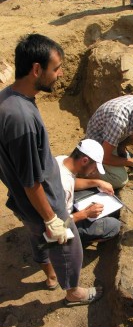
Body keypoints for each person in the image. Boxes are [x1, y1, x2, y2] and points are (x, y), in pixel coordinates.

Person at [0, 33, 102, 307]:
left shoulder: (7, 99)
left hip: (26, 204)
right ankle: (74, 293)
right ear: (36, 69)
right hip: (42, 203)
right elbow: (31, 181)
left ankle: (49, 275)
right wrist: (52, 218)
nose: (60, 74)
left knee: (38, 239)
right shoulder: (21, 119)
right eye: (56, 68)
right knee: (70, 248)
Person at [56, 139, 121, 247]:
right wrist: (85, 213)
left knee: (99, 193)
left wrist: (97, 182)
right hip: (62, 225)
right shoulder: (64, 188)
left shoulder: (61, 160)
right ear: (85, 161)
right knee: (114, 226)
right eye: (95, 167)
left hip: (65, 208)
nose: (94, 171)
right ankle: (73, 242)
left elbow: (72, 182)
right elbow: (59, 225)